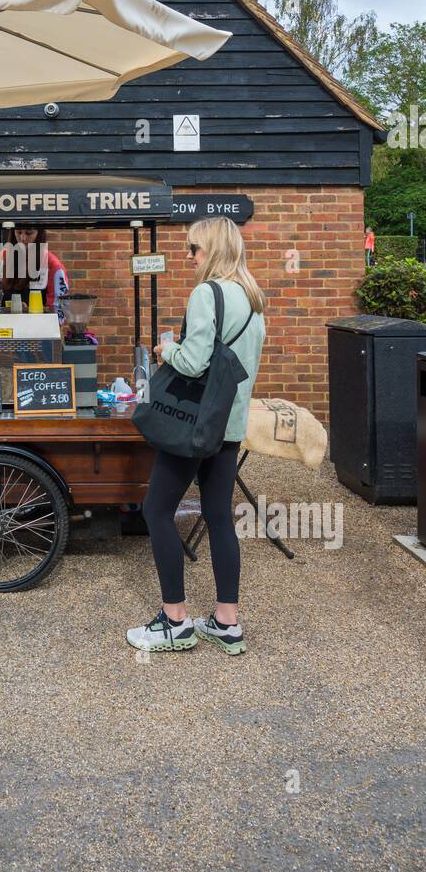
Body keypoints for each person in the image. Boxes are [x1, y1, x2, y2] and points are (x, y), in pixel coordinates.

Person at [126, 216, 266, 657]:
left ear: (214, 251)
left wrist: (166, 349)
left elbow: (193, 362)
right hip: (229, 426)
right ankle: (227, 623)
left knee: (156, 510)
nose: (188, 257)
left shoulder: (208, 293)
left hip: (193, 426)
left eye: (194, 249)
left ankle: (175, 621)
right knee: (220, 517)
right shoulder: (252, 297)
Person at [0, 225, 69, 311]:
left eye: (29, 233)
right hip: (4, 322)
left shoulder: (52, 264)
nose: (23, 238)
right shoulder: (1, 258)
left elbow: (59, 308)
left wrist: (28, 311)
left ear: (39, 234)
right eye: (18, 232)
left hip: (39, 323)